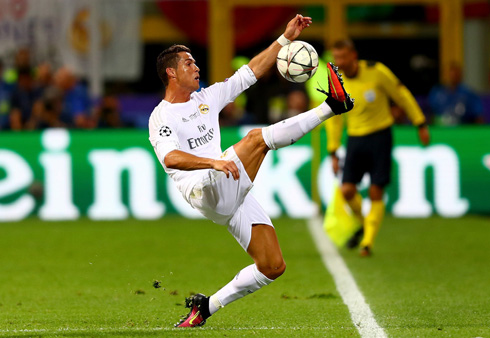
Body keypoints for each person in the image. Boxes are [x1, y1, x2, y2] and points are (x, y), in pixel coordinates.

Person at [148, 15, 353, 328]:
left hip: (226, 187)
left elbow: (251, 72)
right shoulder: (161, 117)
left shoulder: (205, 99)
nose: (197, 68)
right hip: (203, 189)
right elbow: (171, 158)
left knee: (272, 266)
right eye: (189, 63)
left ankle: (205, 308)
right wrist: (213, 162)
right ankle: (331, 107)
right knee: (257, 139)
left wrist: (284, 39)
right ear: (171, 72)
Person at [326, 39, 430, 257]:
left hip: (380, 136)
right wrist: (333, 150)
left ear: (353, 55)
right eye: (336, 58)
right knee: (347, 190)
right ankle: (365, 224)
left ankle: (367, 243)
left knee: (375, 190)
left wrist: (419, 122)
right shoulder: (337, 80)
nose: (339, 62)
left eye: (343, 57)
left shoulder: (377, 71)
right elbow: (334, 118)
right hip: (355, 139)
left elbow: (401, 95)